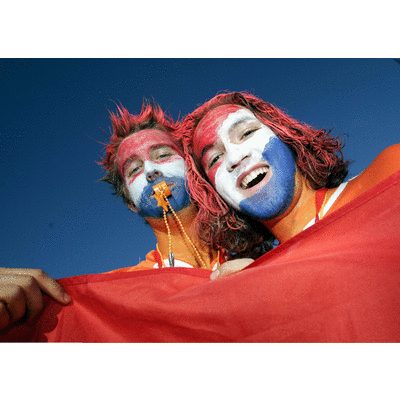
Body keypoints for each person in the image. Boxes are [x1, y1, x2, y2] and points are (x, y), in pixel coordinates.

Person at [178, 91, 400, 279]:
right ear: (216, 195)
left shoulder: (390, 171)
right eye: (215, 159)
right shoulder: (255, 279)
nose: (235, 157)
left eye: (246, 133)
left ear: (285, 134)